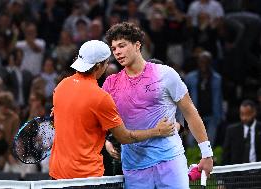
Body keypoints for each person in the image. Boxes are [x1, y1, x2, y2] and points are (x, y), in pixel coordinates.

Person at [103, 22, 213, 189]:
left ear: (137, 45)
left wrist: (207, 153)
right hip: (134, 167)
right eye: (114, 48)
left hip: (169, 160)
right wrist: (106, 141)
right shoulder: (110, 83)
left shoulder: (165, 73)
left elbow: (189, 111)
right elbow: (100, 119)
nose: (117, 52)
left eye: (122, 46)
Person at [49, 40, 176, 179]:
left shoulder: (61, 86)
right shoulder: (100, 97)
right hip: (86, 178)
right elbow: (124, 137)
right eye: (106, 62)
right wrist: (157, 131)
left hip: (57, 176)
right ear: (99, 66)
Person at [222, 99, 261, 165]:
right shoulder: (232, 131)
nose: (244, 118)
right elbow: (226, 155)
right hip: (238, 172)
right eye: (242, 114)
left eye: (247, 114)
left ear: (254, 113)